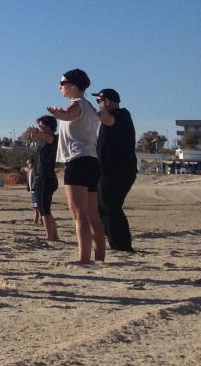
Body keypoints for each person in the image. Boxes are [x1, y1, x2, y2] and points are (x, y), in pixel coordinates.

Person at [47, 68, 104, 264]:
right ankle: (100, 257)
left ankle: (84, 258)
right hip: (91, 161)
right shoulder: (89, 106)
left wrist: (57, 113)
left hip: (77, 161)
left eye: (62, 83)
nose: (59, 87)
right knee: (93, 215)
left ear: (72, 86)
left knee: (80, 215)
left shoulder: (78, 104)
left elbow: (69, 115)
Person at [95, 87, 136, 253]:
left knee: (111, 206)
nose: (98, 104)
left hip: (118, 170)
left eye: (99, 101)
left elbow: (107, 119)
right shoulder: (110, 118)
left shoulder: (121, 115)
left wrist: (88, 109)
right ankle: (114, 241)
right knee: (102, 206)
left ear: (107, 101)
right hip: (107, 169)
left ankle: (121, 245)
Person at [32, 114, 59, 241]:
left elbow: (47, 137)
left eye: (41, 126)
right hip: (44, 177)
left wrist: (36, 132)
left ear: (48, 127)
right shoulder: (46, 141)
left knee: (44, 209)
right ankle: (54, 235)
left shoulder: (52, 138)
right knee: (45, 208)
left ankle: (50, 236)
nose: (40, 128)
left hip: (45, 178)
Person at [23, 159, 39, 224]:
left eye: (29, 163)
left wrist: (34, 188)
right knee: (35, 207)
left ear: (33, 163)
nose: (28, 165)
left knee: (37, 206)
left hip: (35, 190)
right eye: (27, 164)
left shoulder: (35, 171)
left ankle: (40, 220)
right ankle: (35, 221)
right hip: (32, 191)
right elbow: (28, 181)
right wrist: (28, 188)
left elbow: (36, 180)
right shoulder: (29, 171)